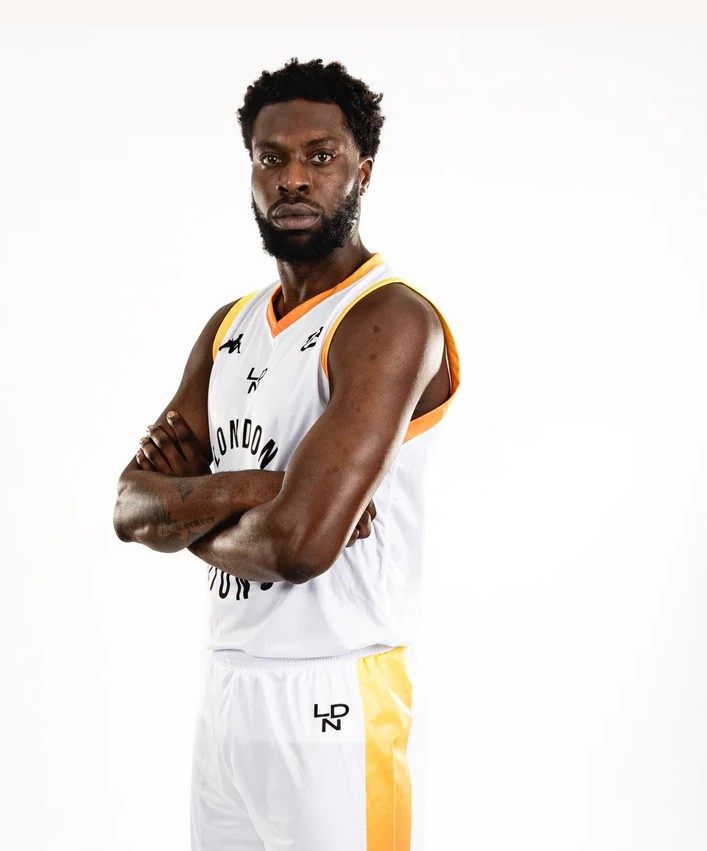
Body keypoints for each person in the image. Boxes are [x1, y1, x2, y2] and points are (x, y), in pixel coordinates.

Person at [113, 57, 460, 851]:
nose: (292, 178)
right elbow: (129, 505)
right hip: (227, 685)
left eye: (319, 156)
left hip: (335, 688)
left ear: (361, 172)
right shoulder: (229, 325)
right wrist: (260, 487)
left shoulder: (389, 319)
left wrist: (185, 508)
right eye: (271, 158)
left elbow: (299, 546)